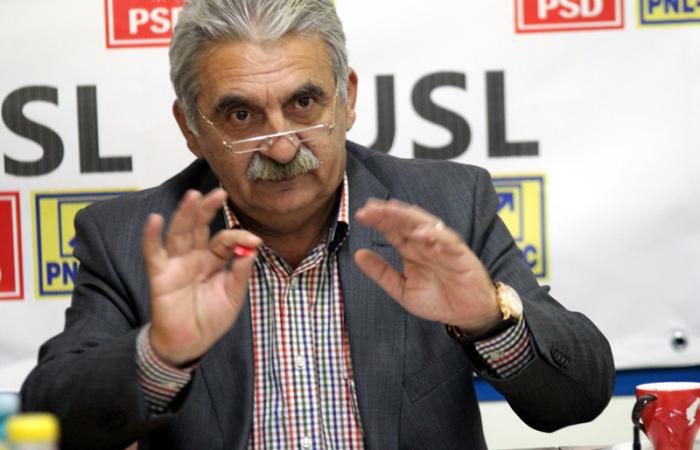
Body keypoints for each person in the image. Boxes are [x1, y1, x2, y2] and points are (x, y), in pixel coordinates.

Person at [21, 0, 615, 449]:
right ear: (192, 128)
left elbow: (578, 399)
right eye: (241, 115)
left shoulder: (447, 206)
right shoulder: (128, 238)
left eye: (303, 104)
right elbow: (51, 419)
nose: (281, 147)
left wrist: (489, 319)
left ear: (346, 98)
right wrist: (161, 354)